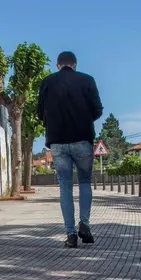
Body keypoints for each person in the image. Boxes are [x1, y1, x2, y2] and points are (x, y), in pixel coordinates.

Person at [37, 50, 104, 248]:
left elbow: (40, 112)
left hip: (57, 141)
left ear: (58, 65)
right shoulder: (87, 80)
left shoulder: (47, 82)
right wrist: (84, 120)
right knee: (84, 182)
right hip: (82, 139)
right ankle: (85, 224)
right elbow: (98, 109)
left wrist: (53, 123)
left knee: (65, 186)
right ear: (75, 64)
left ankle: (71, 234)